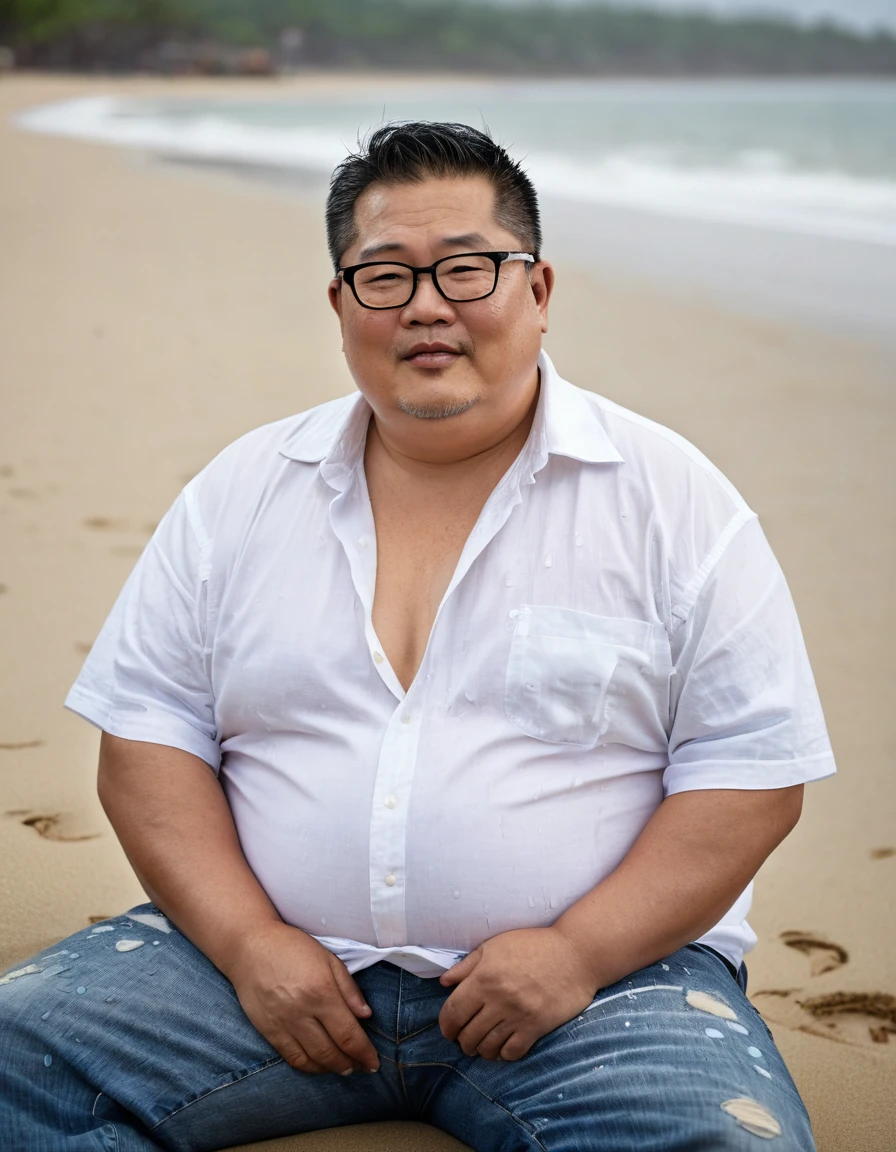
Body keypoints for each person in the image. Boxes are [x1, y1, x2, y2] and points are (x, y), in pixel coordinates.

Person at [0, 122, 835, 1151]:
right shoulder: (241, 494)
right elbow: (147, 738)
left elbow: (748, 770)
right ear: (340, 304)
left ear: (537, 291)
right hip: (254, 970)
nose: (426, 304)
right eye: (384, 275)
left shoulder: (672, 503)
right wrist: (249, 939)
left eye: (467, 268)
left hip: (605, 988)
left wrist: (574, 952)